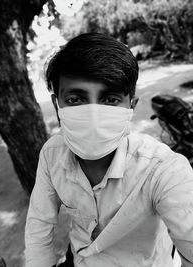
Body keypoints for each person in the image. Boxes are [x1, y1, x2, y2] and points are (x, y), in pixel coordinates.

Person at [24, 33, 193, 267]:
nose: (93, 115)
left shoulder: (162, 169)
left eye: (110, 99)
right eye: (75, 99)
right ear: (57, 105)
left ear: (131, 107)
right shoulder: (52, 154)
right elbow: (39, 226)